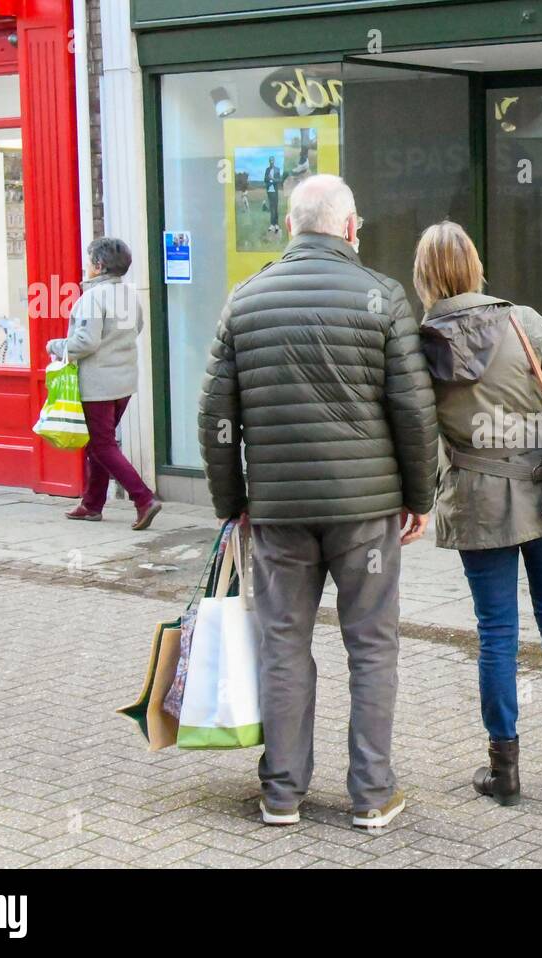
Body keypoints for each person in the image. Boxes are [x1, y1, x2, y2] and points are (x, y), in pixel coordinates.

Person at [199, 174, 438, 830]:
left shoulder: (244, 302)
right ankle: (371, 794)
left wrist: (232, 502)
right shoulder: (383, 297)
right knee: (372, 645)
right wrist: (421, 497)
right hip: (366, 513)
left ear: (288, 229)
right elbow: (413, 410)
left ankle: (281, 793)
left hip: (278, 514)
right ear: (352, 228)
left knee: (282, 643)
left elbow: (216, 413)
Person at [413, 221, 542, 808]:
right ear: (474, 265)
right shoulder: (524, 321)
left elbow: (415, 432)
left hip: (474, 500)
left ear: (424, 276)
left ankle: (505, 770)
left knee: (497, 633)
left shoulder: (419, 344)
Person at [47, 238, 162, 530]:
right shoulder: (129, 296)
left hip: (98, 384)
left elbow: (86, 342)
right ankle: (92, 504)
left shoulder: (92, 298)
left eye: (89, 261)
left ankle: (143, 498)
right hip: (123, 381)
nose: (87, 266)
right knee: (100, 444)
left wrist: (56, 345)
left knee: (102, 445)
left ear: (98, 266)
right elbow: (136, 329)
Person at [263, 156, 281, 235]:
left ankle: (276, 225)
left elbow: (279, 180)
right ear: (269, 161)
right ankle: (272, 225)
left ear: (274, 161)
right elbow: (265, 179)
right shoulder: (267, 170)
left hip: (275, 191)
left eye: (272, 160)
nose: (271, 162)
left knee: (275, 207)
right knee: (271, 208)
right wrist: (268, 178)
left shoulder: (277, 169)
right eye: (270, 160)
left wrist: (272, 179)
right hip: (269, 191)